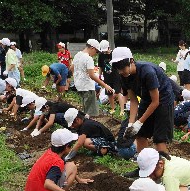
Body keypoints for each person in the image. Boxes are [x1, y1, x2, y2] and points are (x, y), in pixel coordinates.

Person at [111, 47, 175, 179]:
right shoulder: (124, 76)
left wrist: (139, 122)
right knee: (140, 135)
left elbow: (156, 101)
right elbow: (134, 101)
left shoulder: (147, 72)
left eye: (123, 67)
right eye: (118, 68)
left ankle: (164, 174)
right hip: (147, 99)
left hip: (163, 100)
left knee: (159, 138)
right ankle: (143, 168)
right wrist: (131, 123)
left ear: (131, 61)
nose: (121, 71)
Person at [25, 128, 93, 191]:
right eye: (71, 145)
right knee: (72, 166)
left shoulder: (51, 152)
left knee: (71, 166)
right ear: (66, 147)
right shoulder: (57, 163)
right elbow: (48, 184)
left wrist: (79, 180)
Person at [71, 39, 114, 117]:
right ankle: (89, 126)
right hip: (87, 87)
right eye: (96, 51)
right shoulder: (88, 58)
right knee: (91, 114)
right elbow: (92, 75)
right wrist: (105, 85)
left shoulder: (77, 55)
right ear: (92, 48)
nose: (95, 54)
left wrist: (76, 76)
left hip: (79, 86)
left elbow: (72, 68)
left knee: (86, 109)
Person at [98, 40, 126, 115]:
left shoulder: (114, 54)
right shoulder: (101, 55)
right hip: (107, 77)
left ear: (109, 47)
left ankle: (122, 110)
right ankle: (113, 108)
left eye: (106, 50)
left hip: (116, 77)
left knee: (118, 92)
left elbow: (120, 65)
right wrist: (100, 76)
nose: (105, 52)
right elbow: (100, 67)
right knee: (109, 93)